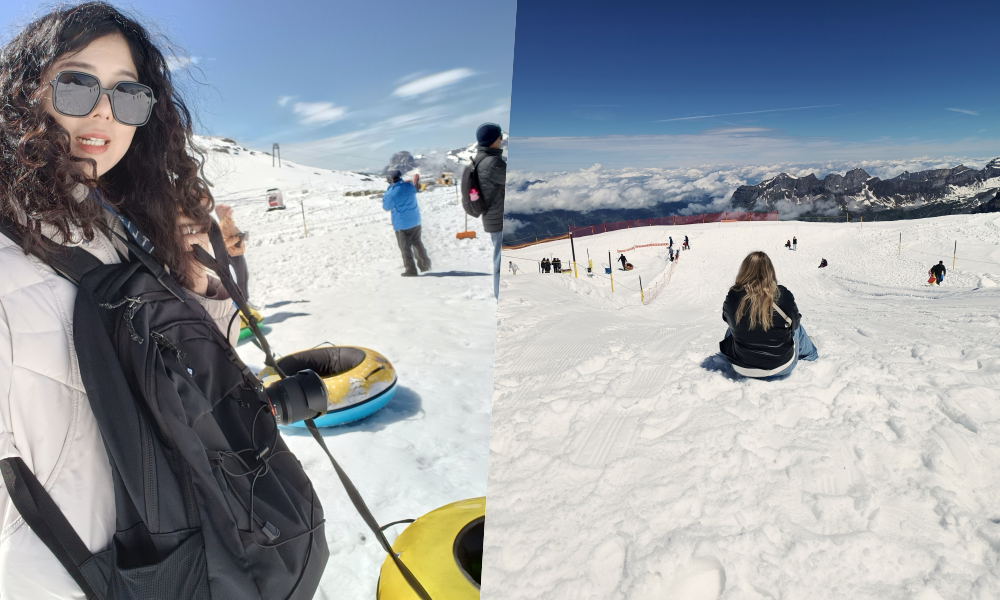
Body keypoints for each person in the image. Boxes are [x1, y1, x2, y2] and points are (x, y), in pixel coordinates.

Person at [0, 5, 241, 596]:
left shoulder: (115, 226)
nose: (105, 109)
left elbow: (198, 383)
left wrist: (198, 283)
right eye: (78, 83)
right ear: (20, 95)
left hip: (162, 553)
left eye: (128, 93)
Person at [719, 251, 818, 380]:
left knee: (733, 326)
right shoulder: (781, 293)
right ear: (769, 271)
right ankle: (811, 354)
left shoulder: (733, 295)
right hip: (782, 366)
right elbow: (795, 324)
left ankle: (745, 352)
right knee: (796, 326)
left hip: (743, 367)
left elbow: (726, 319)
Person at [472, 123, 506, 298]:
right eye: (500, 137)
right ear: (494, 140)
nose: (502, 140)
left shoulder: (480, 159)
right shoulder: (493, 162)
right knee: (501, 261)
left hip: (492, 217)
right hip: (499, 218)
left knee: (499, 259)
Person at [382, 169, 430, 276]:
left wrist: (387, 193)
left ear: (390, 179)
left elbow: (386, 206)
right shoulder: (409, 186)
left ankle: (411, 270)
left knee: (405, 248)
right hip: (415, 220)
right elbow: (414, 186)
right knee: (417, 243)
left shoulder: (392, 192)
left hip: (403, 224)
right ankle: (425, 265)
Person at [216, 203, 250, 300]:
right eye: (229, 210)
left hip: (239, 254)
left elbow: (235, 238)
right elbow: (225, 243)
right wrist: (237, 237)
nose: (232, 211)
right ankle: (243, 302)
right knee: (241, 280)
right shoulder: (224, 226)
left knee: (245, 278)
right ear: (224, 213)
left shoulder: (230, 223)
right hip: (234, 256)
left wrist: (242, 236)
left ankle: (246, 300)